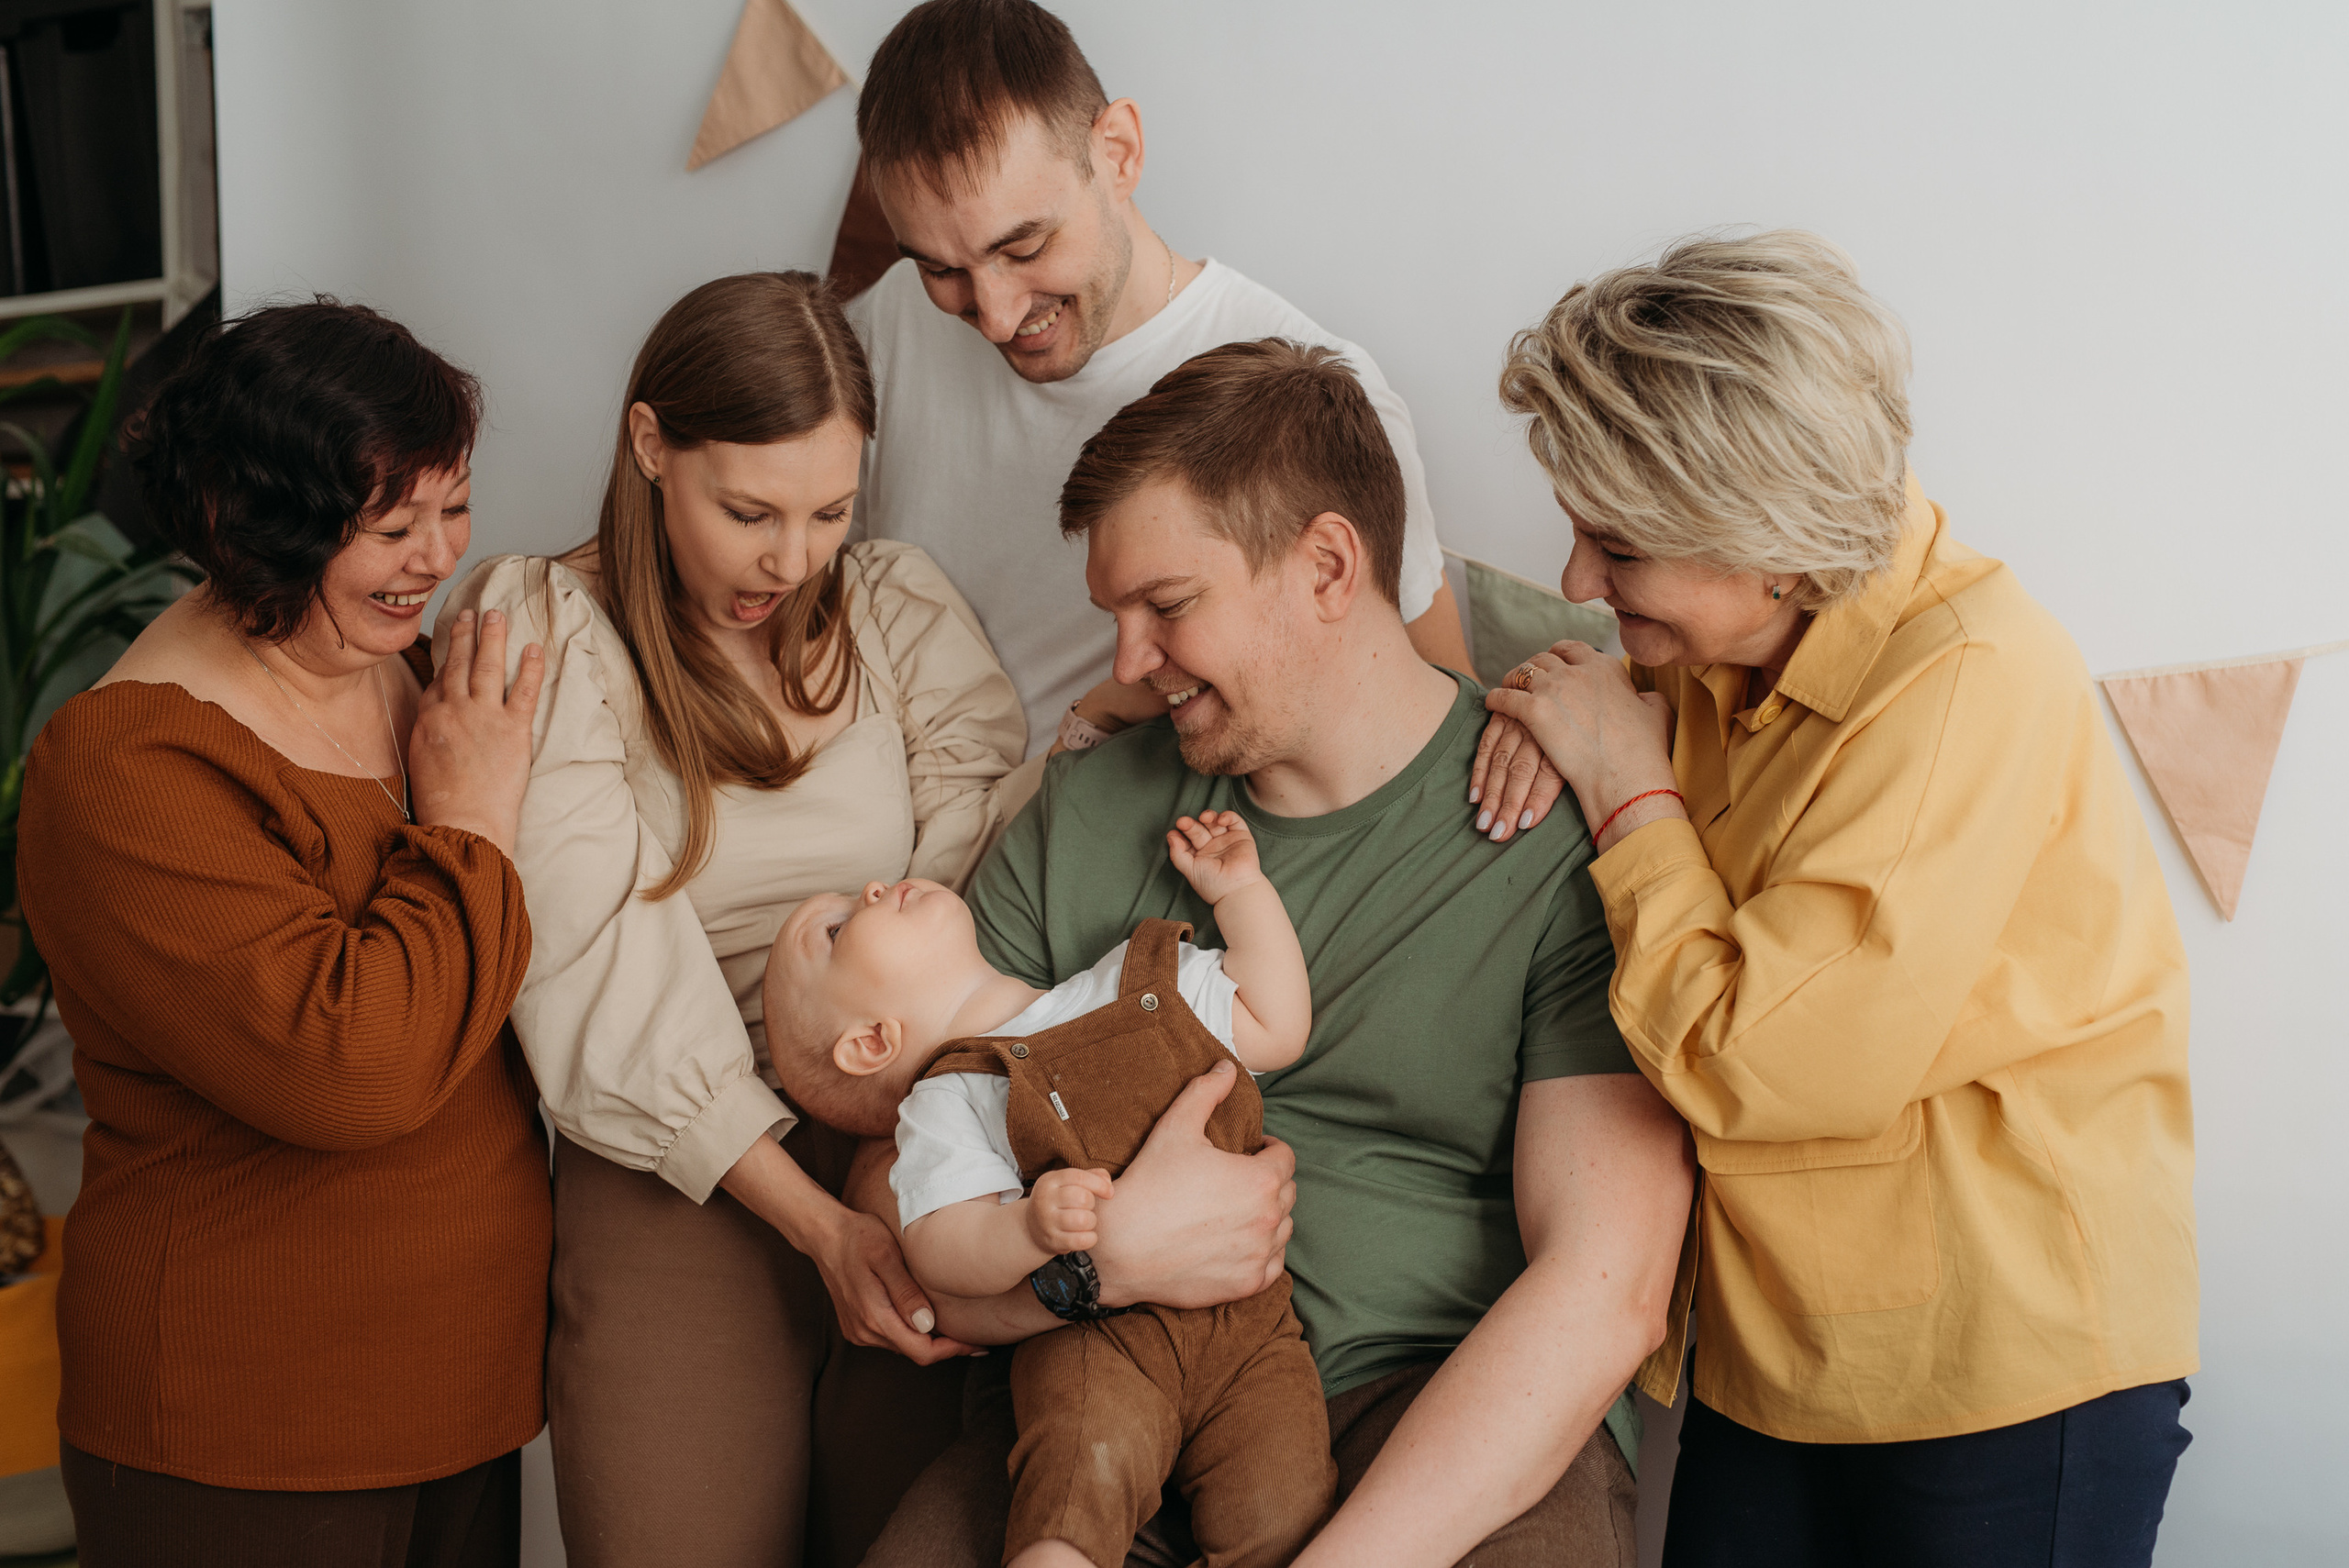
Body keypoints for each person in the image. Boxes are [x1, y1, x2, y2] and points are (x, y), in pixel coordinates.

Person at [855, 338, 1693, 1568]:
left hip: (1434, 1424)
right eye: (1117, 616)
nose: (1127, 665)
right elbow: (901, 1183)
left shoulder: (1545, 827)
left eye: (1169, 608)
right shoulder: (1082, 814)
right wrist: (1103, 1264)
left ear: (1328, 566)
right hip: (1095, 1402)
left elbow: (1605, 1282)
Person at [1469, 230, 2198, 1568]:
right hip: (1777, 1361)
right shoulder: (1713, 646)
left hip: (1996, 1367)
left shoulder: (1972, 676)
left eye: (1616, 549)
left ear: (1776, 553)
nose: (1580, 579)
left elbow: (1771, 1064)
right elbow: (1489, 623)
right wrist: (1557, 700)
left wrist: (1633, 797)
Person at [439, 271, 1024, 1567]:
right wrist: (819, 1223)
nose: (791, 557)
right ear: (651, 446)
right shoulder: (543, 626)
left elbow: (973, 884)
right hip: (677, 1180)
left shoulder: (893, 608)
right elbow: (586, 959)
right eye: (748, 509)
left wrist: (891, 1158)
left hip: (918, 1150)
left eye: (830, 509)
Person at [17, 301, 548, 1566]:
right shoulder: (126, 764)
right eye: (389, 524)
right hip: (245, 1421)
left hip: (459, 1387)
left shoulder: (403, 673)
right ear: (243, 521)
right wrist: (471, 823)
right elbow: (350, 1066)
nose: (435, 558)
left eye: (453, 507)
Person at [845, 0, 1473, 756]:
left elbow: (1435, 716)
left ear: (1118, 152)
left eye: (1026, 246)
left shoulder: (1313, 390)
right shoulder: (889, 319)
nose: (998, 316)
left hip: (1112, 842)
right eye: (944, 269)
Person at [768, 812, 1328, 1568]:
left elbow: (1278, 1024)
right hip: (1094, 1345)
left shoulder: (1137, 981)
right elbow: (939, 1248)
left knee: (1286, 1509)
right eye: (835, 929)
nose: (869, 887)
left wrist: (1244, 893)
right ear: (873, 1041)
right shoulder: (949, 1097)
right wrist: (1027, 1230)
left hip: (1250, 1326)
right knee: (1074, 1482)